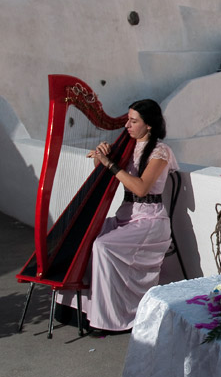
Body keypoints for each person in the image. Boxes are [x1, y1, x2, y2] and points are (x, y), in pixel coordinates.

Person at [58, 99, 179, 332]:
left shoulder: (160, 151)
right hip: (126, 216)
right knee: (82, 236)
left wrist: (110, 164)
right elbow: (102, 171)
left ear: (149, 125)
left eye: (133, 121)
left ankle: (110, 318)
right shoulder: (127, 146)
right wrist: (101, 156)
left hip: (150, 221)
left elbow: (141, 188)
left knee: (103, 246)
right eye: (127, 120)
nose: (127, 126)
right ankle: (80, 309)